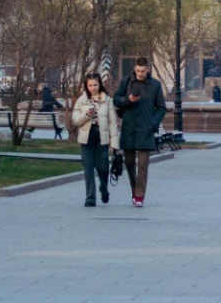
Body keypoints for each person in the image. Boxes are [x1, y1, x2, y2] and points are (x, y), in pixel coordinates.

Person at [113, 57, 166, 208]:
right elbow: (116, 100)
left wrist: (153, 122)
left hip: (145, 129)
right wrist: (128, 100)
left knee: (143, 165)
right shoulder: (126, 82)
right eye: (137, 71)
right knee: (129, 163)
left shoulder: (155, 85)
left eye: (142, 71)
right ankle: (135, 190)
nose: (140, 74)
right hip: (129, 127)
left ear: (148, 69)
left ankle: (139, 196)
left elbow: (161, 107)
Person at [70, 73, 118, 207]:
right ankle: (90, 197)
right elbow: (75, 120)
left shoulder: (107, 100)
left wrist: (114, 143)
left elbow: (112, 122)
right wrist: (86, 115)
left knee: (103, 167)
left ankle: (104, 187)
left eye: (95, 85)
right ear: (86, 85)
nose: (92, 88)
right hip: (86, 137)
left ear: (100, 85)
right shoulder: (82, 100)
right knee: (88, 167)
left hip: (101, 137)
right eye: (90, 85)